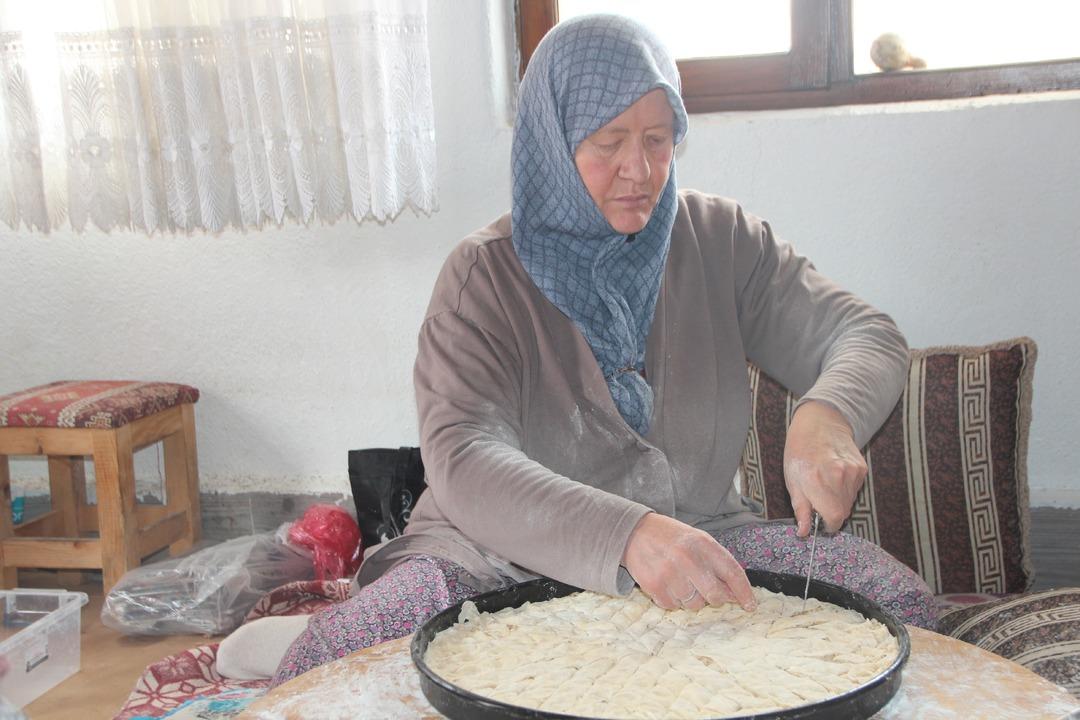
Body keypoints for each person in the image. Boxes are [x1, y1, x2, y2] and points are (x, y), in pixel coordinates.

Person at [217, 13, 935, 686]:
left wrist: (828, 413)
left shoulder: (719, 240)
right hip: (491, 562)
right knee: (347, 672)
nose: (640, 170)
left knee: (898, 606)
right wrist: (625, 533)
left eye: (659, 139)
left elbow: (865, 335)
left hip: (698, 541)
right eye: (607, 142)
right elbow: (463, 458)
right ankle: (304, 638)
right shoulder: (484, 276)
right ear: (552, 145)